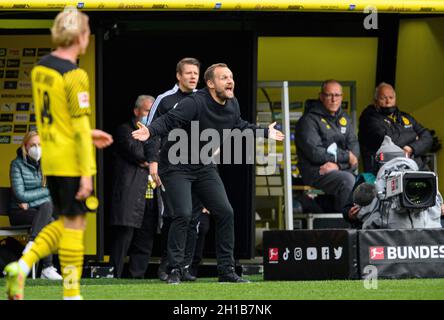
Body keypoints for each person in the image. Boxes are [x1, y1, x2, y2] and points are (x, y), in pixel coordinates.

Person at [133, 63, 284, 284]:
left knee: (225, 212)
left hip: (204, 166)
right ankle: (174, 269)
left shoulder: (232, 104)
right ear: (211, 83)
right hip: (176, 165)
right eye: (224, 78)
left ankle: (226, 271)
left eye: (231, 77)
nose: (230, 81)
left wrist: (264, 131)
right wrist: (150, 130)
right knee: (183, 214)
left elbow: (238, 125)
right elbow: (168, 120)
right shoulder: (194, 102)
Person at [3, 8, 113, 300]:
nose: (88, 38)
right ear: (79, 36)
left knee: (63, 224)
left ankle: (23, 265)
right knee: (75, 228)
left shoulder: (40, 69)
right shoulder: (76, 75)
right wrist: (88, 174)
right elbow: (77, 124)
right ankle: (71, 293)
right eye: (88, 32)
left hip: (51, 159)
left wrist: (88, 133)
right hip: (71, 161)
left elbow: (53, 119)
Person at [145, 57, 204, 282]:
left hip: (199, 167)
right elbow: (151, 131)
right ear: (178, 76)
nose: (192, 77)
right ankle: (168, 265)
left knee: (194, 218)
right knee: (175, 215)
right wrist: (153, 162)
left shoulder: (203, 99)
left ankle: (184, 267)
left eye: (195, 73)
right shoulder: (164, 99)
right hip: (171, 167)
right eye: (188, 73)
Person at [109, 95, 159, 278]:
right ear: (136, 111)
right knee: (123, 238)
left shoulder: (157, 132)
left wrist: (151, 159)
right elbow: (138, 153)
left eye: (152, 112)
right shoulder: (124, 130)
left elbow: (163, 156)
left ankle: (137, 277)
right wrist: (151, 158)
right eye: (147, 111)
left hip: (151, 195)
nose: (150, 115)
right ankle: (114, 276)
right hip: (130, 194)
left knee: (145, 240)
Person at [294, 79, 359, 213]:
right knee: (347, 180)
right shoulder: (308, 120)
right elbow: (315, 153)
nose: (333, 99)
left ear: (342, 97)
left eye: (337, 95)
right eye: (329, 95)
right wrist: (346, 156)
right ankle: (346, 227)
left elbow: (355, 153)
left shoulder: (345, 119)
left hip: (341, 170)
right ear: (321, 96)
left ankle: (361, 228)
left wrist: (339, 165)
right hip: (316, 172)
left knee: (367, 183)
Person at [9, 131, 62, 280]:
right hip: (19, 213)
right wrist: (45, 193)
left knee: (48, 209)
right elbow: (20, 195)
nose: (37, 148)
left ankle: (32, 243)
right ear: (25, 146)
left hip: (36, 211)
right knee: (49, 219)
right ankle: (47, 268)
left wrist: (31, 201)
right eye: (33, 145)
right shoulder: (16, 164)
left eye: (39, 145)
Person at [359, 82, 433, 173]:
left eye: (391, 97)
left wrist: (411, 148)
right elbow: (388, 140)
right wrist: (415, 136)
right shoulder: (368, 118)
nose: (388, 101)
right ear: (375, 101)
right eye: (383, 98)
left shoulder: (405, 117)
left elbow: (428, 137)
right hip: (385, 170)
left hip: (417, 168)